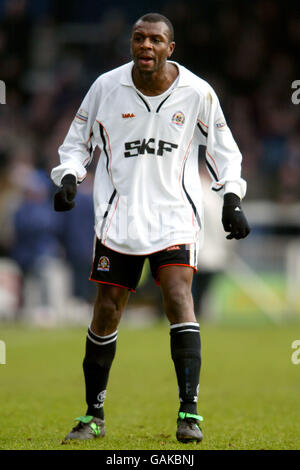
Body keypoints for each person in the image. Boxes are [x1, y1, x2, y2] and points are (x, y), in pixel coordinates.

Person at [51, 13, 250, 444]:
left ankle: (189, 413)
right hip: (118, 217)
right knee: (107, 309)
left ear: (169, 48)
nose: (146, 46)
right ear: (131, 44)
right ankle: (93, 416)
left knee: (179, 296)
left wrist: (231, 196)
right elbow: (75, 143)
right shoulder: (106, 87)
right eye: (139, 38)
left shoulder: (197, 92)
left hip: (174, 215)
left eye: (155, 40)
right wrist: (69, 176)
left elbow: (224, 149)